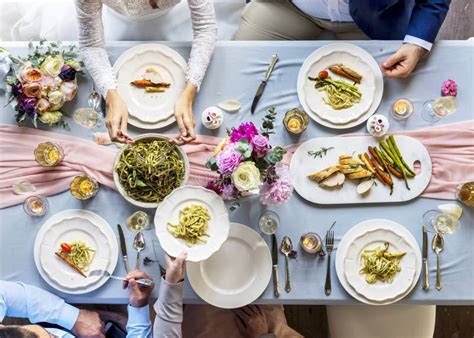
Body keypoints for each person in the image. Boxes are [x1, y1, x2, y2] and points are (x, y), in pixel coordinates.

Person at [75, 0, 218, 144]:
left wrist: (189, 93)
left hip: (175, 22)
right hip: (119, 23)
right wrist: (110, 96)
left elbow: (205, 29)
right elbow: (91, 45)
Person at [235, 0, 451, 78]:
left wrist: (416, 43)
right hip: (290, 8)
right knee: (240, 67)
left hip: (372, 22)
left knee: (386, 97)